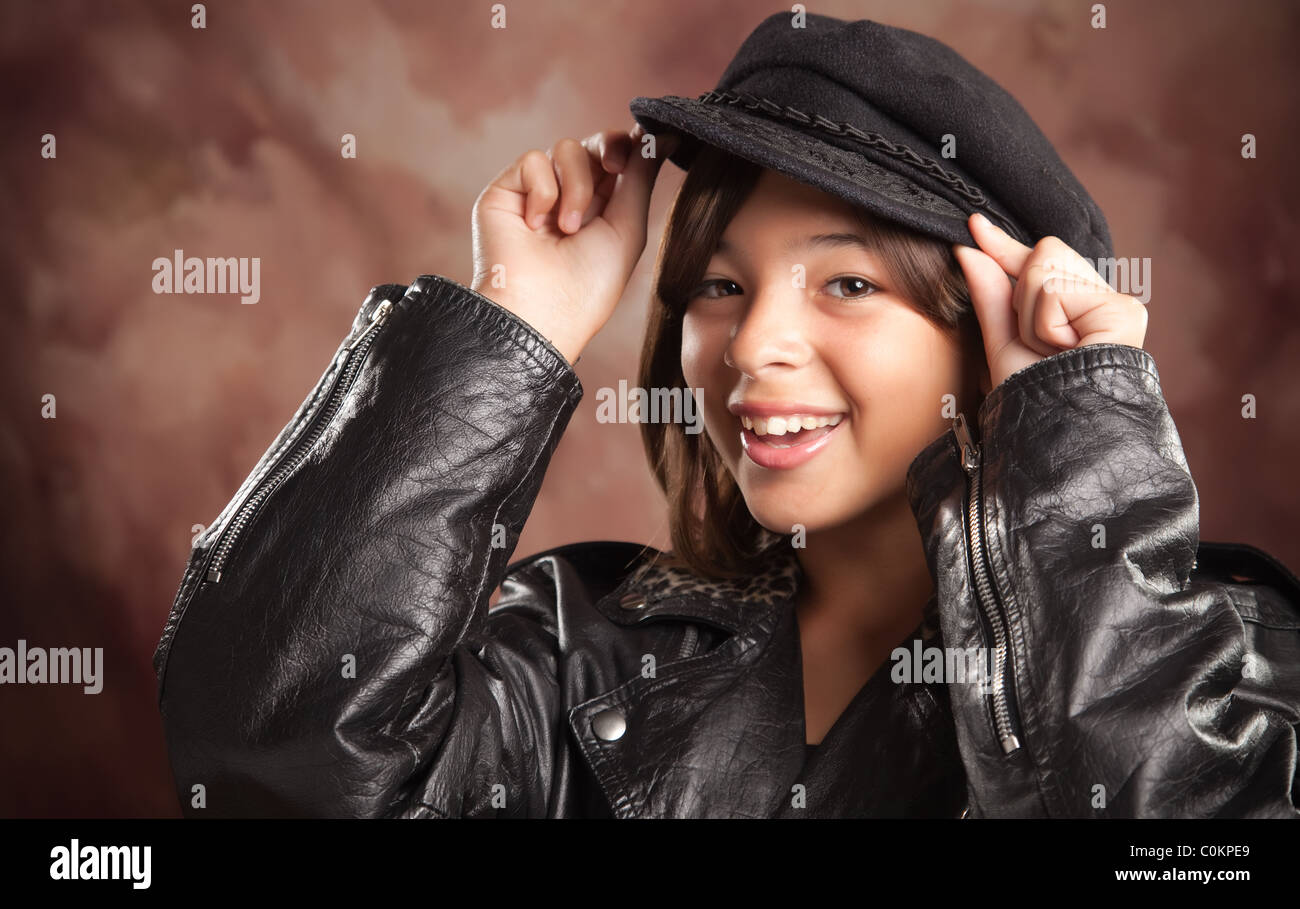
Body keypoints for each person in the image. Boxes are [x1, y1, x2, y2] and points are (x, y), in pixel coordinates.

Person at [152, 12, 1300, 818]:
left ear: (989, 338)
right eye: (717, 284)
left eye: (848, 284)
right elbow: (270, 761)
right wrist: (515, 319)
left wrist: (1071, 435)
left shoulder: (1220, 656)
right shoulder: (577, 644)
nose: (751, 346)